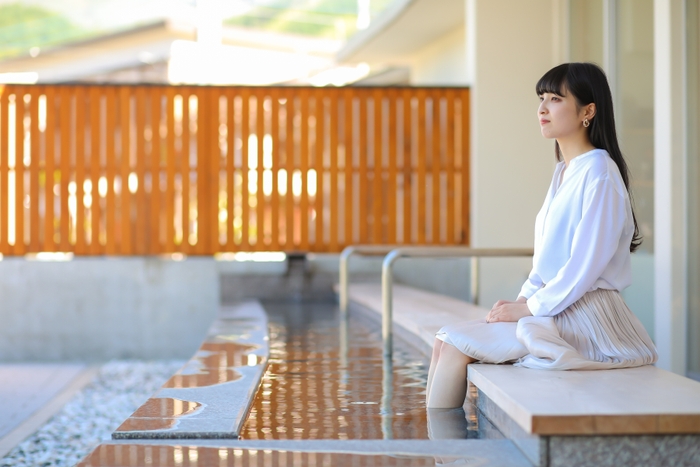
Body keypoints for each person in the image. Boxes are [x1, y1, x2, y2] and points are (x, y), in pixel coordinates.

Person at [425, 62, 658, 410]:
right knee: (443, 341)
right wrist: (520, 303)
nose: (542, 108)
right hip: (558, 307)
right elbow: (546, 263)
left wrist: (530, 308)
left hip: (586, 316)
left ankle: (442, 455)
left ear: (588, 111)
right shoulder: (564, 171)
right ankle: (432, 451)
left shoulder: (600, 174)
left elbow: (583, 267)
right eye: (541, 98)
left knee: (456, 347)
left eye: (555, 99)